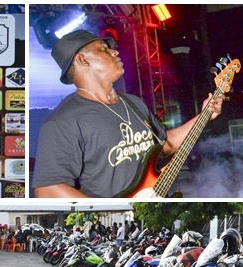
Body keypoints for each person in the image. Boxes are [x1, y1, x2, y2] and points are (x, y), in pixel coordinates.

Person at [33, 29, 224, 198]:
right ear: (82, 59)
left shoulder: (133, 103)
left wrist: (204, 115)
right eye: (103, 48)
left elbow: (166, 144)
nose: (115, 51)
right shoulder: (63, 122)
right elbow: (48, 189)